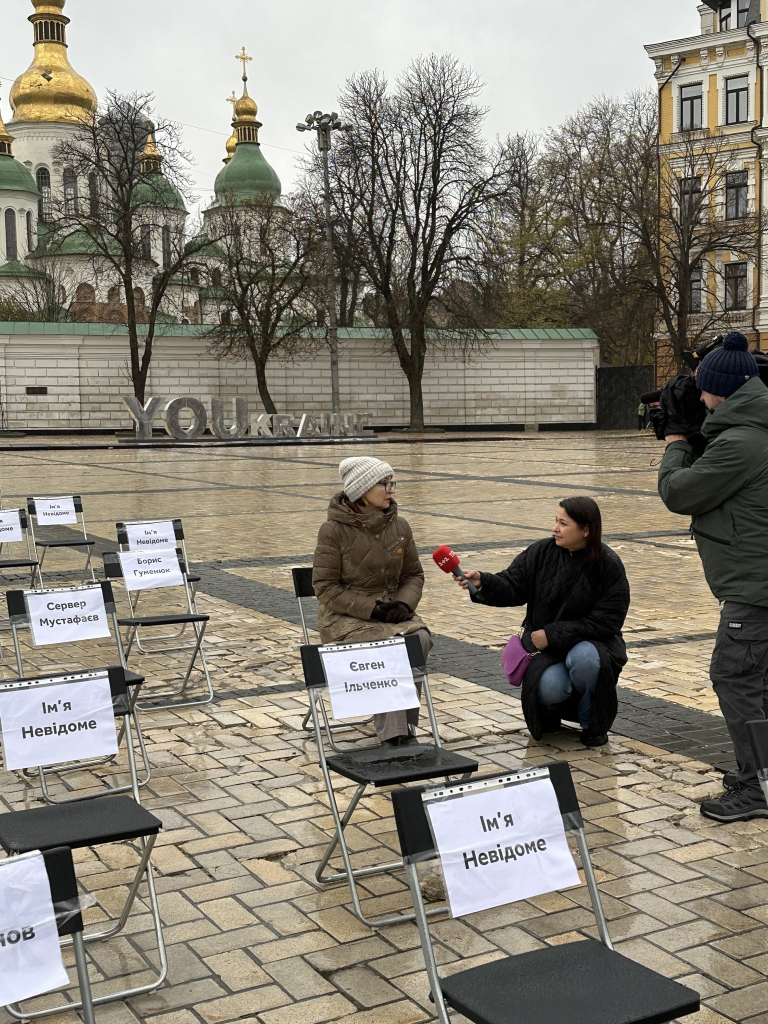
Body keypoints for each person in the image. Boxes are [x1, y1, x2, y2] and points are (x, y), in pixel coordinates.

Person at [658, 331, 768, 823]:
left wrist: (678, 441)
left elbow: (679, 493)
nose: (698, 398)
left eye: (703, 390)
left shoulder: (742, 444)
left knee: (735, 678)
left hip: (754, 588)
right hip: (758, 584)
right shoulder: (753, 430)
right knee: (759, 684)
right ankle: (761, 771)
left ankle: (755, 788)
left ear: (721, 392)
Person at [456, 497, 629, 747]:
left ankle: (591, 721)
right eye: (555, 521)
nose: (555, 528)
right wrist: (484, 581)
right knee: (549, 687)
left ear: (586, 530)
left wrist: (551, 633)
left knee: (586, 660)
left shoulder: (608, 565)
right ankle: (551, 714)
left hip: (592, 645)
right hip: (547, 650)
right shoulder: (541, 552)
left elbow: (607, 622)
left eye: (563, 523)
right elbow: (513, 584)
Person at [312, 456, 432, 747]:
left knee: (420, 641)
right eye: (385, 483)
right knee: (386, 649)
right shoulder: (333, 531)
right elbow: (325, 587)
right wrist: (373, 609)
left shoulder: (400, 526)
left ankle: (399, 726)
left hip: (393, 611)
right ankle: (396, 735)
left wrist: (403, 605)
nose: (391, 490)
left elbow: (413, 574)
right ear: (363, 490)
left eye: (392, 483)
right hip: (347, 616)